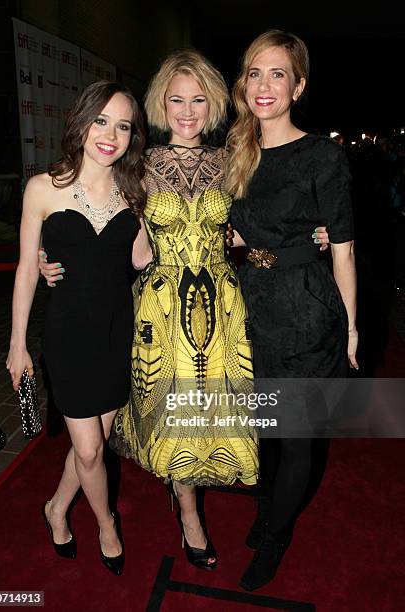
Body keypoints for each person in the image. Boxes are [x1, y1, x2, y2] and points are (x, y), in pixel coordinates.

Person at [39, 53, 330, 571]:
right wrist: (53, 261)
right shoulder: (137, 165)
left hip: (222, 302)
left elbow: (265, 221)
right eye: (177, 99)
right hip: (161, 307)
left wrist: (314, 234)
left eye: (198, 99)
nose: (188, 111)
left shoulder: (233, 161)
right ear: (160, 104)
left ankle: (177, 506)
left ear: (215, 103)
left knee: (201, 419)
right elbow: (102, 228)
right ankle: (189, 514)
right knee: (159, 424)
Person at [225, 30, 358, 590]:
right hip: (249, 306)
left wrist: (351, 327)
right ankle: (268, 510)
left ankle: (277, 535)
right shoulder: (236, 151)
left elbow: (345, 247)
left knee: (297, 432)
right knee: (263, 428)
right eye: (255, 72)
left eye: (278, 74)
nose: (264, 85)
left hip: (304, 307)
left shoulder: (322, 156)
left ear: (298, 86)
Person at [6, 80, 151, 576]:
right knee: (90, 449)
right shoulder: (42, 188)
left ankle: (55, 508)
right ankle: (106, 524)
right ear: (82, 122)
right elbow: (28, 268)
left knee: (91, 448)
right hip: (68, 337)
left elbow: (140, 260)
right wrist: (16, 345)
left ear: (134, 136)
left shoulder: (133, 191)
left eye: (124, 125)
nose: (110, 134)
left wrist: (146, 213)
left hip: (116, 334)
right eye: (101, 120)